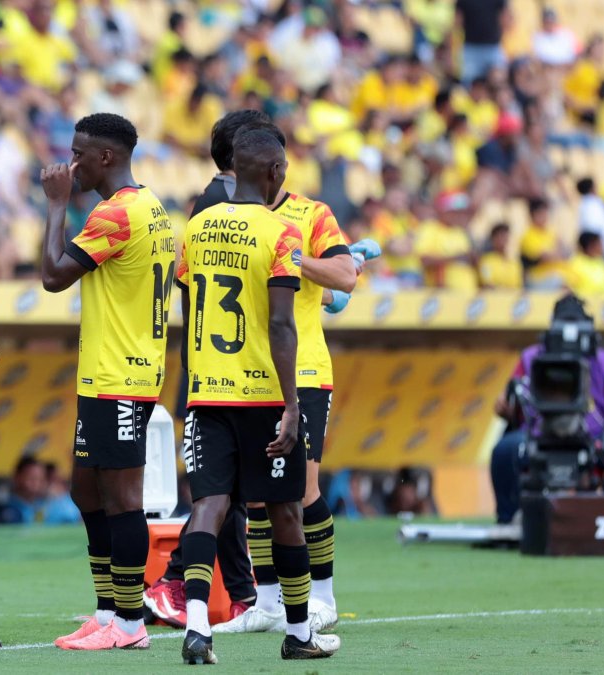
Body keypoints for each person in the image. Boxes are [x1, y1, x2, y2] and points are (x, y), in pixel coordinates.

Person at [148, 112, 371, 634]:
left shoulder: (310, 214)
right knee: (259, 498)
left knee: (302, 490)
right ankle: (268, 604)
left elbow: (345, 276)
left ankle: (323, 597)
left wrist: (293, 259)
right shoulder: (224, 221)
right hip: (244, 376)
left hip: (302, 371)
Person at [175, 126, 339, 664]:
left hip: (207, 392)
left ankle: (197, 626)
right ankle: (299, 633)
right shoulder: (281, 233)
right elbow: (281, 325)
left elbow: (189, 308)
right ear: (275, 173)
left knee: (209, 506)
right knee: (286, 510)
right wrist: (291, 404)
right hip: (263, 395)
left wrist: (196, 375)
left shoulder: (196, 228)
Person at [38, 112, 174, 651]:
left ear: (106, 157)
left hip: (122, 374)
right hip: (105, 373)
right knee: (86, 490)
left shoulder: (115, 214)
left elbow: (53, 276)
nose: (71, 164)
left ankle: (130, 623)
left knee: (122, 499)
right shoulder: (150, 206)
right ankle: (107, 611)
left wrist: (56, 205)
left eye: (78, 154)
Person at [490, 295, 604, 524]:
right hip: (539, 436)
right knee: (505, 450)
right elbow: (508, 401)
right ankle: (508, 521)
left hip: (593, 440)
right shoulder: (531, 357)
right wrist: (504, 406)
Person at [479, 222, 524, 289]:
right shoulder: (485, 261)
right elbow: (486, 283)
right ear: (493, 239)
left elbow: (518, 285)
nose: (503, 240)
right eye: (500, 237)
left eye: (505, 237)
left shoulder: (514, 262)